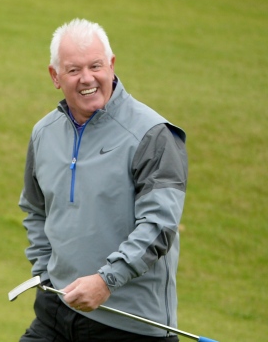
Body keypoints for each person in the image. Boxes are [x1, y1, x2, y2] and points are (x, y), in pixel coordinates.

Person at [18, 18, 188, 342]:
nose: (87, 79)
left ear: (111, 65)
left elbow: (159, 226)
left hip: (130, 326)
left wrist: (106, 281)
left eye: (95, 66)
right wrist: (45, 273)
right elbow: (35, 209)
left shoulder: (153, 136)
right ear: (55, 76)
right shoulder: (44, 133)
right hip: (56, 313)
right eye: (73, 69)